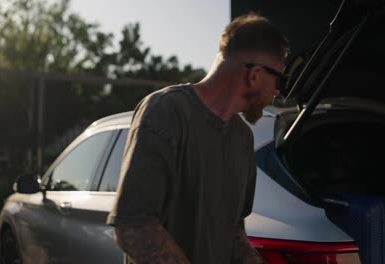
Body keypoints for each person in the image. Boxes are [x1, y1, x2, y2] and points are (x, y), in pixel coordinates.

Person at [107, 12, 289, 264]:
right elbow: (133, 228)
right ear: (255, 75)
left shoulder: (243, 137)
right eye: (279, 78)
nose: (278, 91)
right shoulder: (165, 112)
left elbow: (234, 228)